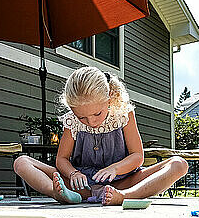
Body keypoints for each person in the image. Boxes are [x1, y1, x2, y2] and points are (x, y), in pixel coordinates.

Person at [13, 66, 188, 206]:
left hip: (122, 182)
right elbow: (62, 159)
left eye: (97, 113)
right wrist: (73, 174)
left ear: (110, 98)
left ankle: (124, 197)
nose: (91, 122)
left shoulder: (123, 113)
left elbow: (137, 156)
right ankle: (57, 193)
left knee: (179, 164)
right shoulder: (72, 120)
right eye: (82, 117)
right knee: (21, 162)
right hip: (81, 186)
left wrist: (115, 169)